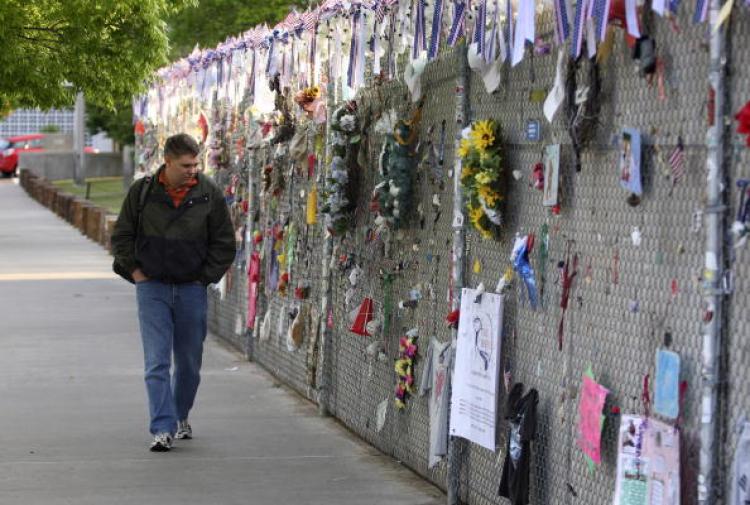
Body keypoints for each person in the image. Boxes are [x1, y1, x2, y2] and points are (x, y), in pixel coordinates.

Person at [111, 133, 236, 452]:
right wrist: (137, 274)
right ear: (167, 162)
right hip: (151, 288)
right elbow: (122, 236)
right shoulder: (143, 192)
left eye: (196, 164)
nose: (193, 170)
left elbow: (224, 244)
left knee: (189, 363)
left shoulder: (209, 194)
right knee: (156, 362)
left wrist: (203, 279)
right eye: (186, 165)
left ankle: (181, 416)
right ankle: (162, 428)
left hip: (191, 290)